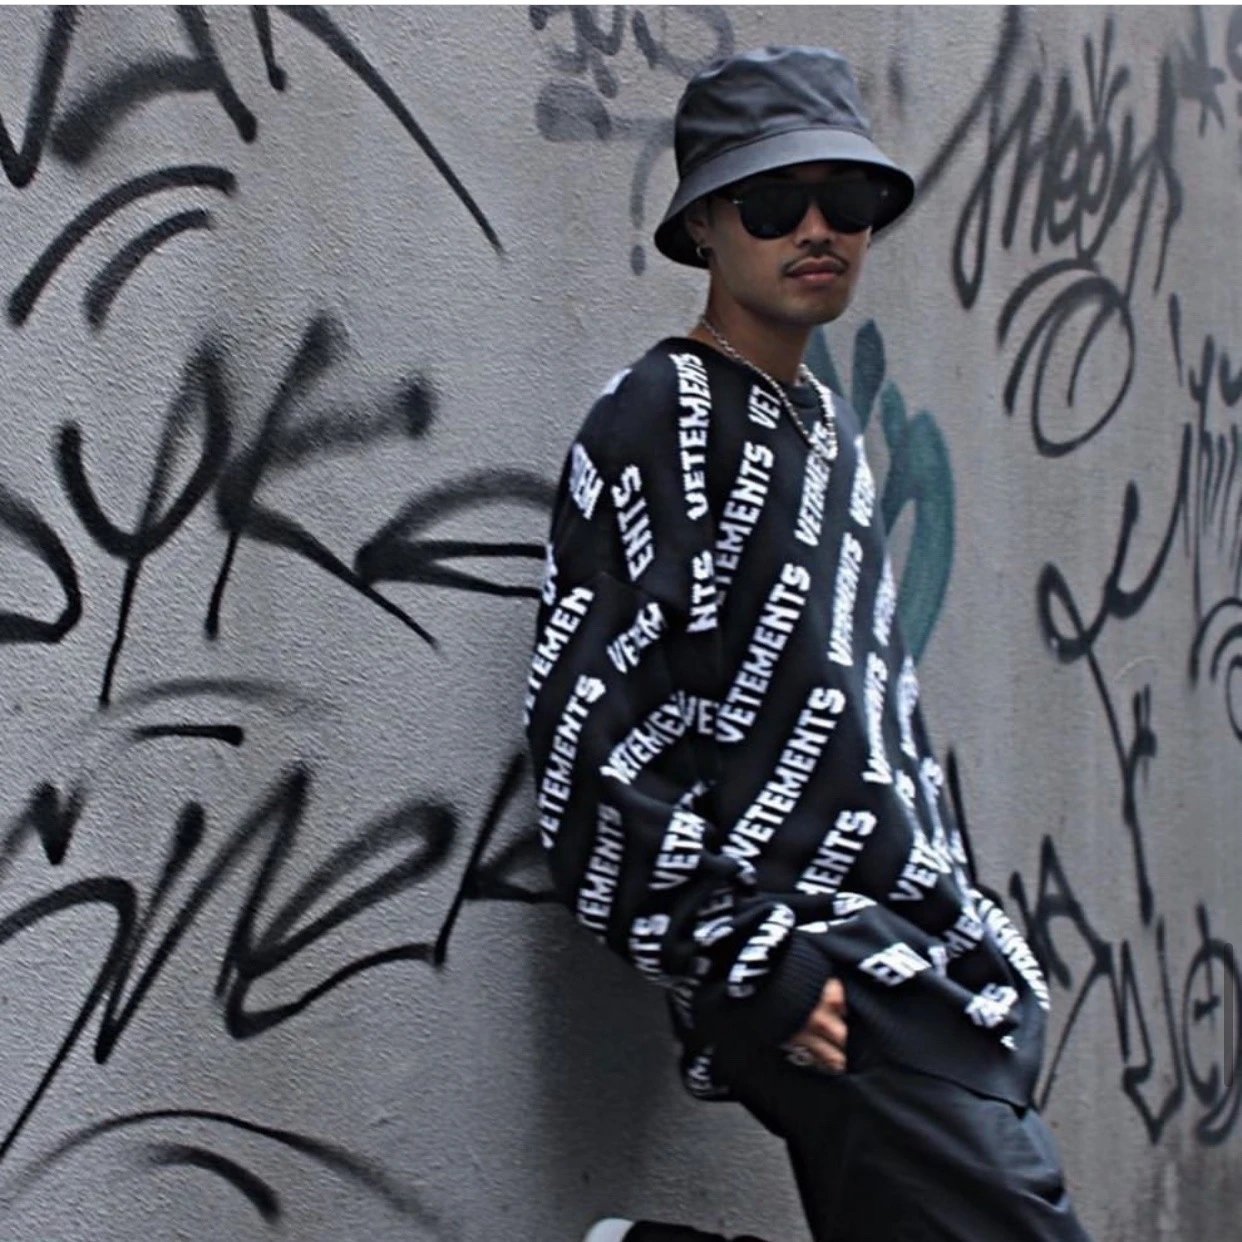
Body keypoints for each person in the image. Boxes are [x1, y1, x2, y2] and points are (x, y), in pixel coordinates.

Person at [525, 45, 1095, 1242]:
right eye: (775, 203)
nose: (818, 230)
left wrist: (969, 928)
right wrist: (753, 962)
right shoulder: (661, 415)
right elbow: (593, 740)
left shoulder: (823, 426)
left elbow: (870, 721)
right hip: (818, 964)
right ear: (705, 226)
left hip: (920, 958)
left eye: (850, 199)